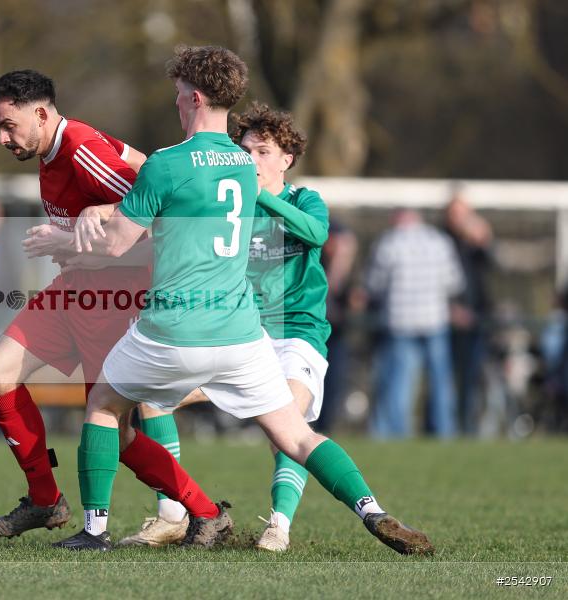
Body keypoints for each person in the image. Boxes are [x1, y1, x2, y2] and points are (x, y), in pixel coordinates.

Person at [52, 45, 433, 556]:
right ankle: (374, 512)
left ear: (194, 96)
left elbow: (120, 243)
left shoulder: (167, 163)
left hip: (174, 328)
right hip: (241, 335)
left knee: (103, 404)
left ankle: (96, 530)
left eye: (178, 95)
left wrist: (74, 232)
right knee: (296, 437)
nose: (176, 102)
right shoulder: (243, 167)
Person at [91, 104, 332, 552]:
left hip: (297, 334)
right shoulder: (232, 205)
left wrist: (261, 196)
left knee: (287, 427)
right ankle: (172, 514)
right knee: (151, 403)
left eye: (263, 151)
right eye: (246, 150)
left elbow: (316, 233)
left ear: (287, 160)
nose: (253, 159)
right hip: (242, 333)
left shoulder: (302, 200)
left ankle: (278, 525)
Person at [0, 69, 153, 537]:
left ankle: (204, 513)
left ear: (40, 113)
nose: (2, 137)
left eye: (8, 125)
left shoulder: (78, 149)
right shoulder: (56, 146)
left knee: (114, 428)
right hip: (73, 289)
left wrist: (79, 228)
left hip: (111, 295)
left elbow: (157, 211)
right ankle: (45, 500)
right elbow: (143, 164)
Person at [365, 208, 464, 438]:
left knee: (400, 382)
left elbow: (375, 284)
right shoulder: (440, 242)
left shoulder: (389, 243)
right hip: (434, 319)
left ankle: (399, 434)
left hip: (400, 321)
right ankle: (444, 431)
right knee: (440, 382)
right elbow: (454, 282)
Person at [445, 191, 493, 434]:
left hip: (478, 321)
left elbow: (492, 267)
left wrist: (484, 242)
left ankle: (468, 427)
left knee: (473, 381)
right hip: (449, 321)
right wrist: (451, 309)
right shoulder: (442, 240)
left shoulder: (475, 246)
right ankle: (447, 429)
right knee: (447, 380)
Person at [316, 220, 358, 433]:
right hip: (315, 333)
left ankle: (326, 428)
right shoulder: (315, 262)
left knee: (335, 382)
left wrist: (343, 264)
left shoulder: (351, 269)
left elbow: (354, 300)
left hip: (338, 334)